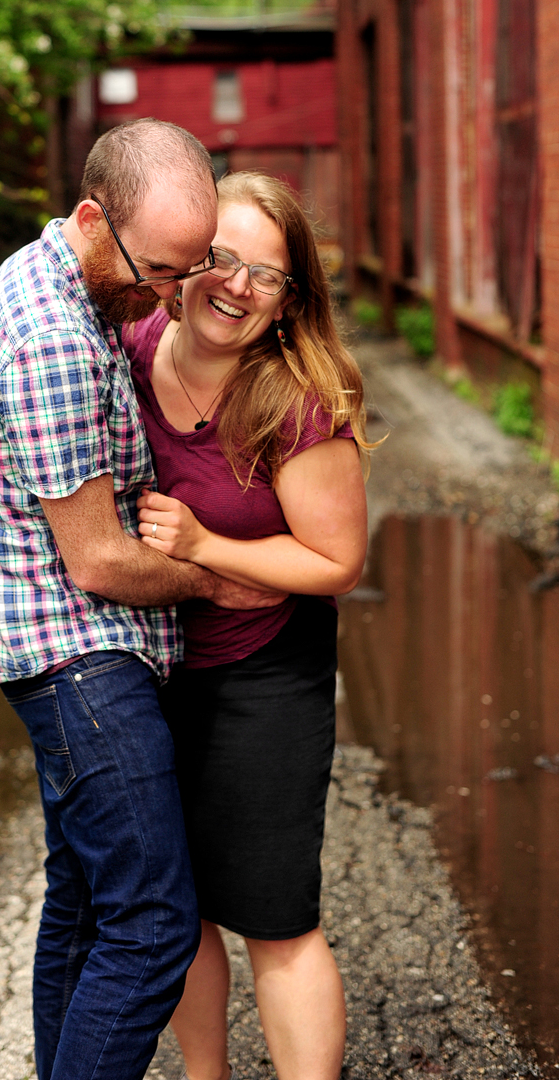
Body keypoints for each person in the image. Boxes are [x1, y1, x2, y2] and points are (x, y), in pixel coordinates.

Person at [0, 121, 279, 1080]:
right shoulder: (51, 333)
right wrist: (217, 577)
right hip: (77, 659)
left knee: (86, 904)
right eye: (163, 270)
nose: (173, 295)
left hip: (68, 651)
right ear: (93, 219)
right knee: (154, 926)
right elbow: (96, 561)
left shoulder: (73, 280)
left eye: (190, 267)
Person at [127, 170, 371, 1080]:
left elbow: (334, 562)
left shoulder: (298, 400)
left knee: (274, 916)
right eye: (219, 258)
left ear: (289, 299)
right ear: (183, 263)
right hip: (151, 663)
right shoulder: (134, 338)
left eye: (264, 275)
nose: (234, 285)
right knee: (178, 906)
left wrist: (202, 547)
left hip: (265, 669)